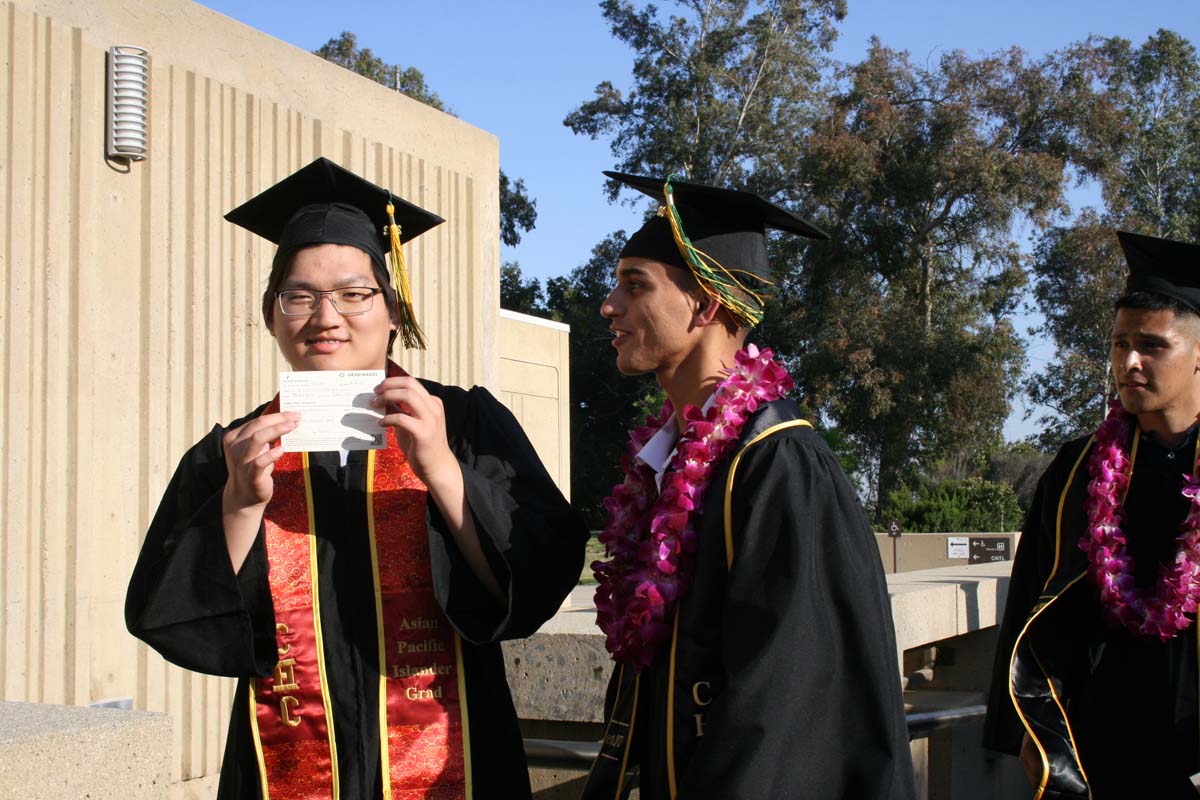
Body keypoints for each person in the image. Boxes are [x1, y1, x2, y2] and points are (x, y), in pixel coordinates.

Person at [125, 157, 588, 800]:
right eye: (299, 296)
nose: (326, 317)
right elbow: (165, 613)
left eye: (353, 293)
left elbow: (539, 576)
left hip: (458, 759)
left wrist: (445, 474)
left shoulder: (464, 423)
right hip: (285, 764)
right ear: (271, 315)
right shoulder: (232, 453)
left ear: (393, 310)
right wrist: (237, 509)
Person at [580, 172, 916, 800]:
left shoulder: (780, 466)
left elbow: (791, 703)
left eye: (634, 286)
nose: (608, 305)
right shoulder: (667, 462)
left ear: (706, 305)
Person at [984, 231, 1200, 799]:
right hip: (1098, 738)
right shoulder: (1081, 466)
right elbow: (1033, 587)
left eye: (1152, 345)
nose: (1129, 361)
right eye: (1119, 343)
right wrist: (1027, 732)